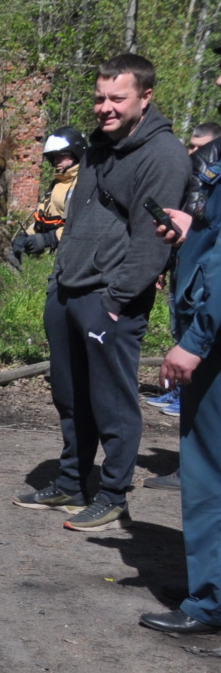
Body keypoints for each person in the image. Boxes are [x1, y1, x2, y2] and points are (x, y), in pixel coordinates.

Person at [15, 53, 191, 531]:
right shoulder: (94, 150)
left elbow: (153, 238)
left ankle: (113, 494)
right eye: (100, 97)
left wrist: (117, 300)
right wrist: (58, 281)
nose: (105, 107)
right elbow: (76, 222)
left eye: (118, 98)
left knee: (111, 401)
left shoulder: (164, 155)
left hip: (111, 298)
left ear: (145, 97)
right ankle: (72, 481)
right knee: (70, 397)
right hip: (68, 289)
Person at [140, 181, 221, 635]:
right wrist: (197, 229)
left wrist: (196, 340)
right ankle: (210, 585)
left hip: (214, 345)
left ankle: (209, 601)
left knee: (208, 473)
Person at [144, 120, 221, 436]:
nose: (193, 152)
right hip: (192, 274)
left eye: (198, 147)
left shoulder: (211, 162)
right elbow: (207, 230)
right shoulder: (201, 167)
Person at [3, 126, 84, 271]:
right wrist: (25, 236)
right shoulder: (58, 183)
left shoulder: (85, 183)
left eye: (62, 155)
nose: (57, 161)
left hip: (80, 258)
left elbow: (84, 224)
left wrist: (49, 239)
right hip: (61, 258)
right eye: (54, 157)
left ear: (76, 153)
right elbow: (46, 217)